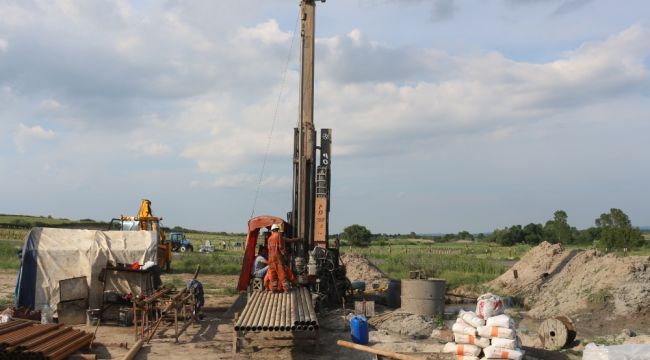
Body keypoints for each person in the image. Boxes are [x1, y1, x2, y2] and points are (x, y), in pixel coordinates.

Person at [266, 223, 300, 292]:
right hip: (277, 258)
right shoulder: (279, 236)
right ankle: (286, 289)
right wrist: (284, 254)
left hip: (270, 259)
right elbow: (281, 247)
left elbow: (269, 249)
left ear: (272, 230)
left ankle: (273, 289)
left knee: (273, 274)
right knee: (282, 273)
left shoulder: (269, 238)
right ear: (277, 230)